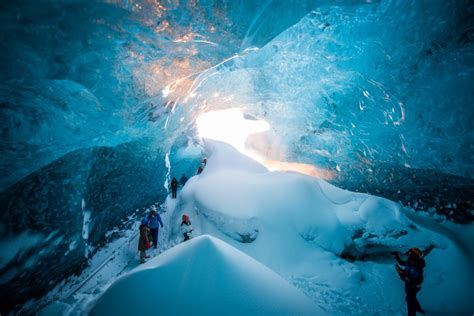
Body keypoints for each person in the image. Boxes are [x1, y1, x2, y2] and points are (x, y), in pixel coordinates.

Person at [392, 248, 426, 316]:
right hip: (408, 284)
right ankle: (419, 309)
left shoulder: (417, 267)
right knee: (411, 298)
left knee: (410, 301)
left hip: (414, 286)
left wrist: (401, 273)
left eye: (410, 253)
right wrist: (396, 256)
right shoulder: (410, 261)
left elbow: (411, 279)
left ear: (414, 255)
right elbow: (402, 263)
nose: (408, 255)